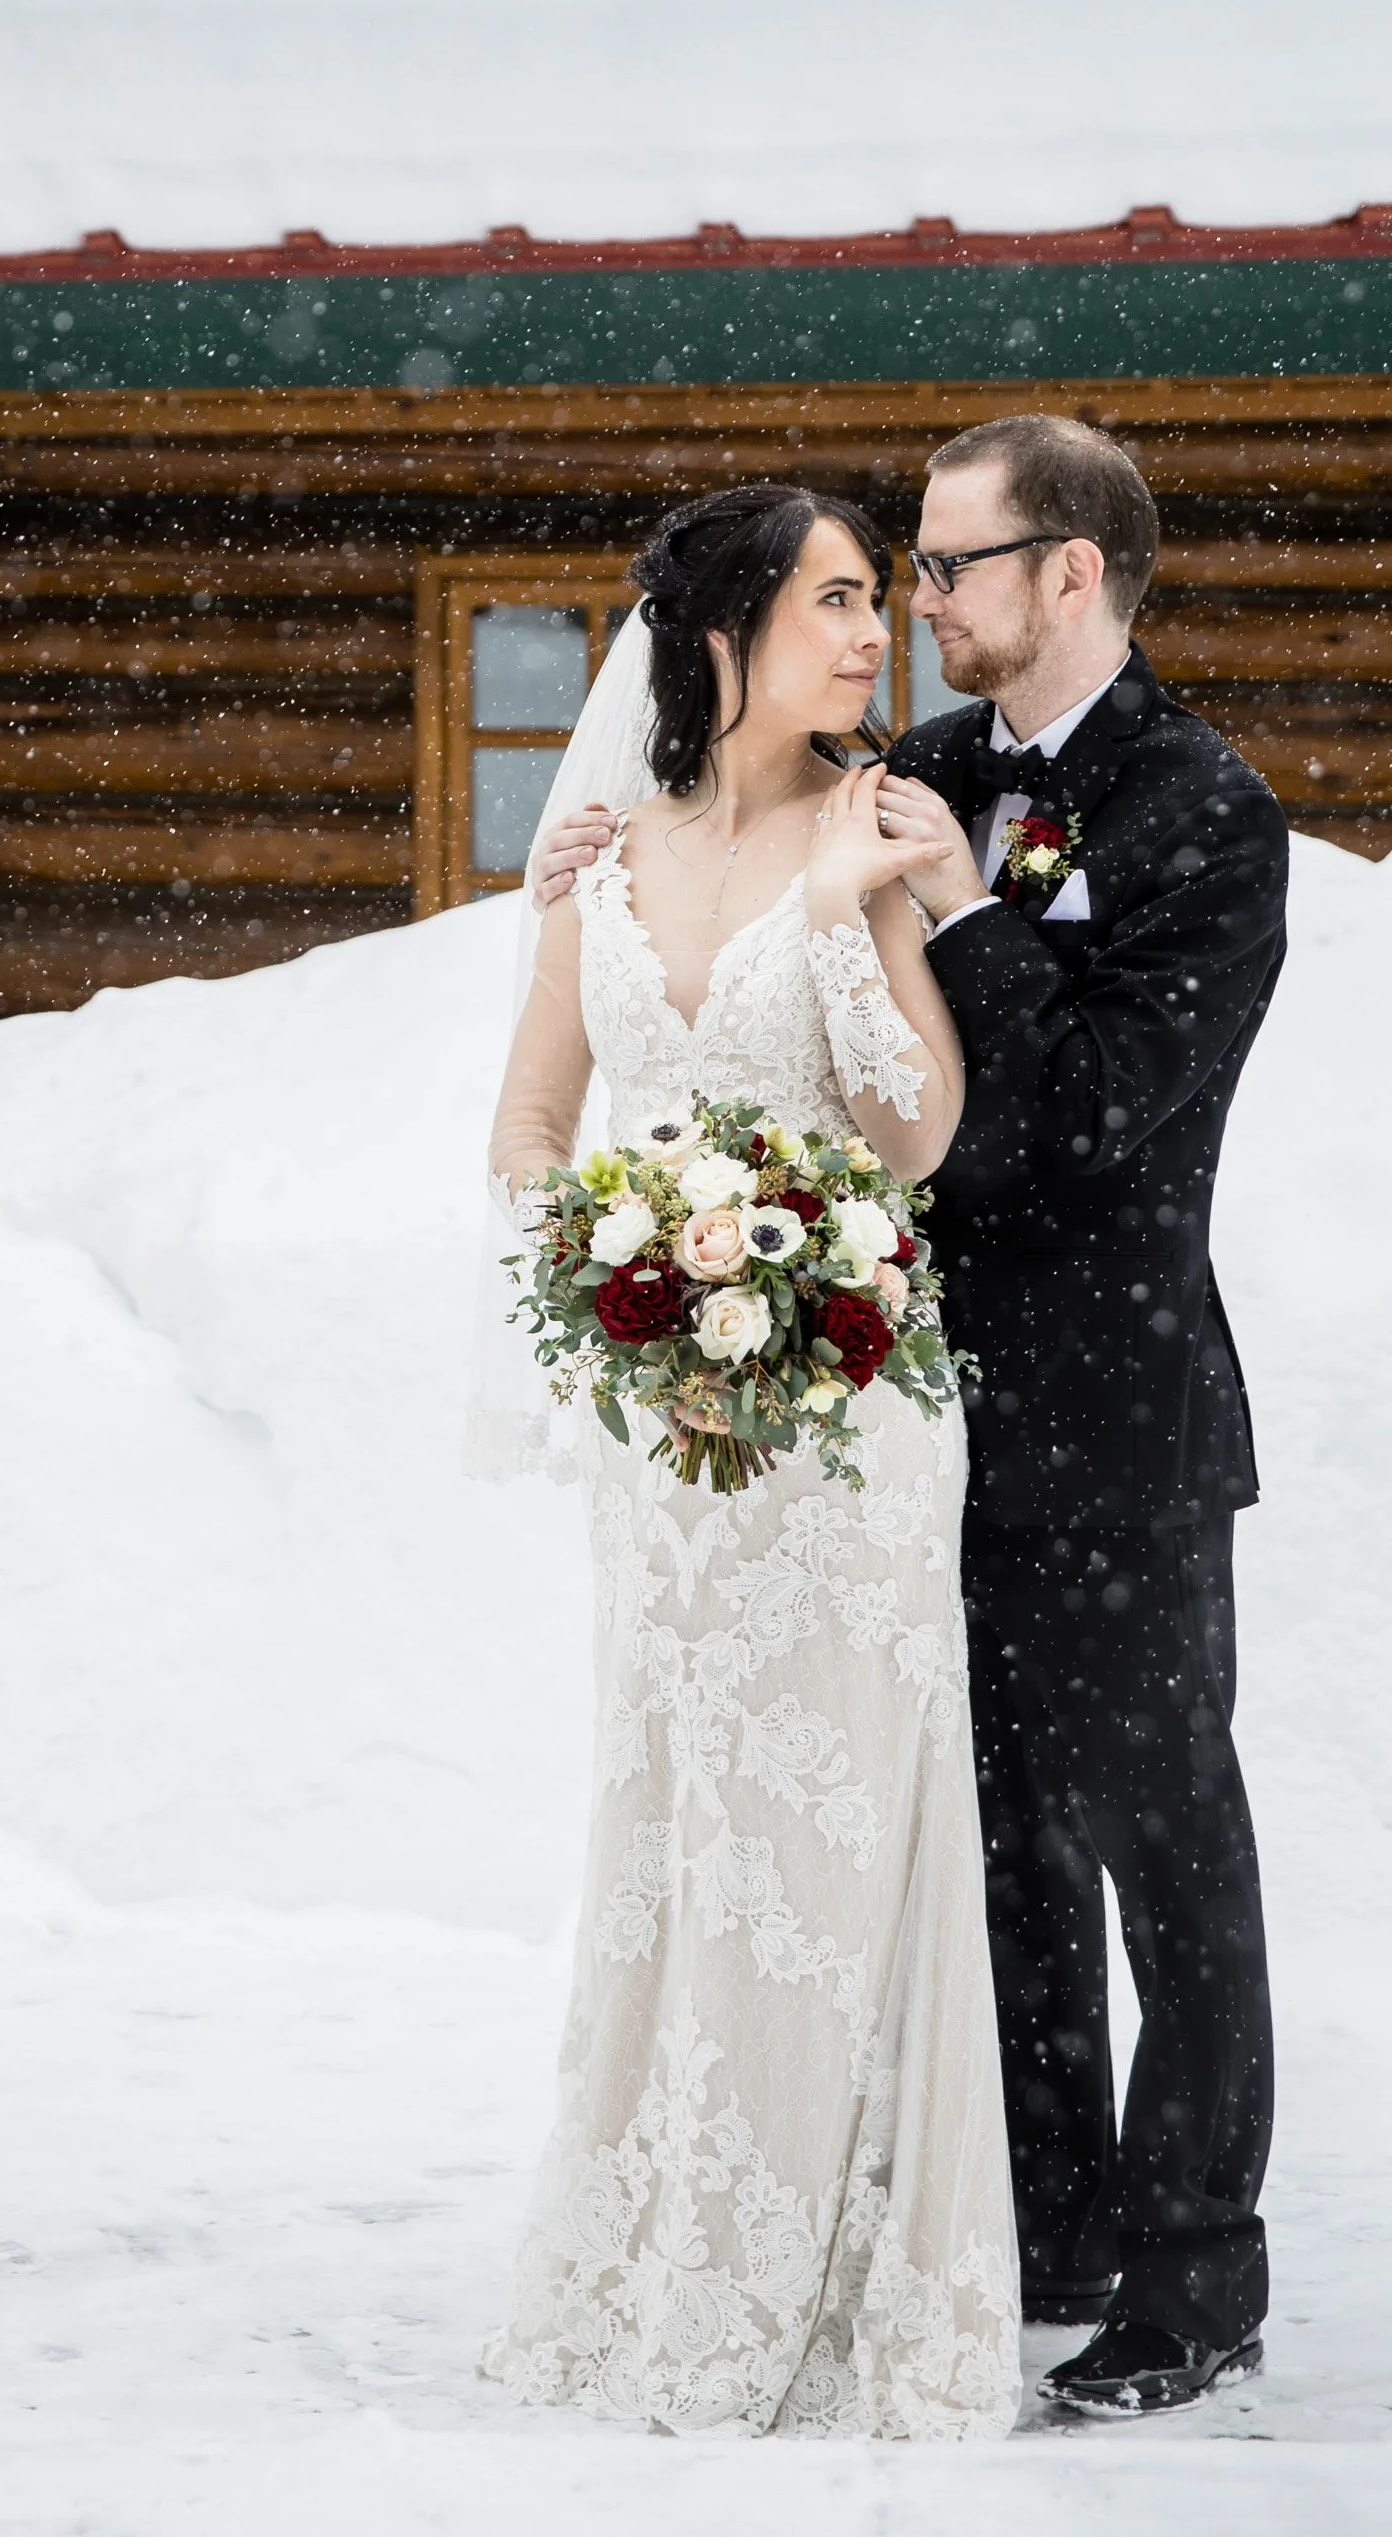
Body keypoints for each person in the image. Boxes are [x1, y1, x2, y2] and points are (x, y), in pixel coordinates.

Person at [531, 415, 1288, 2418]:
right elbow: (750, 856)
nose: (924, 606)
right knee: (992, 1854)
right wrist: (596, 844)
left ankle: (1196, 2278)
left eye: (953, 568)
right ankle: (1034, 2223)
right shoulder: (917, 778)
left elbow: (1098, 1127)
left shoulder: (1210, 816)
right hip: (890, 1413)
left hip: (1116, 1425)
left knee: (1162, 1850)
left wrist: (960, 925)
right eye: (907, 573)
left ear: (1075, 574)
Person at [481, 480, 1021, 2441]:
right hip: (673, 1454)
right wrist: (619, 1278)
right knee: (680, 1835)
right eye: (838, 602)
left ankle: (825, 2265)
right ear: (721, 634)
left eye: (881, 599)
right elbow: (531, 1129)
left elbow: (916, 1133)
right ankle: (663, 2242)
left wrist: (846, 913)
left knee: (826, 1840)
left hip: (849, 1421)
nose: (875, 635)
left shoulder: (871, 832)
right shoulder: (605, 866)